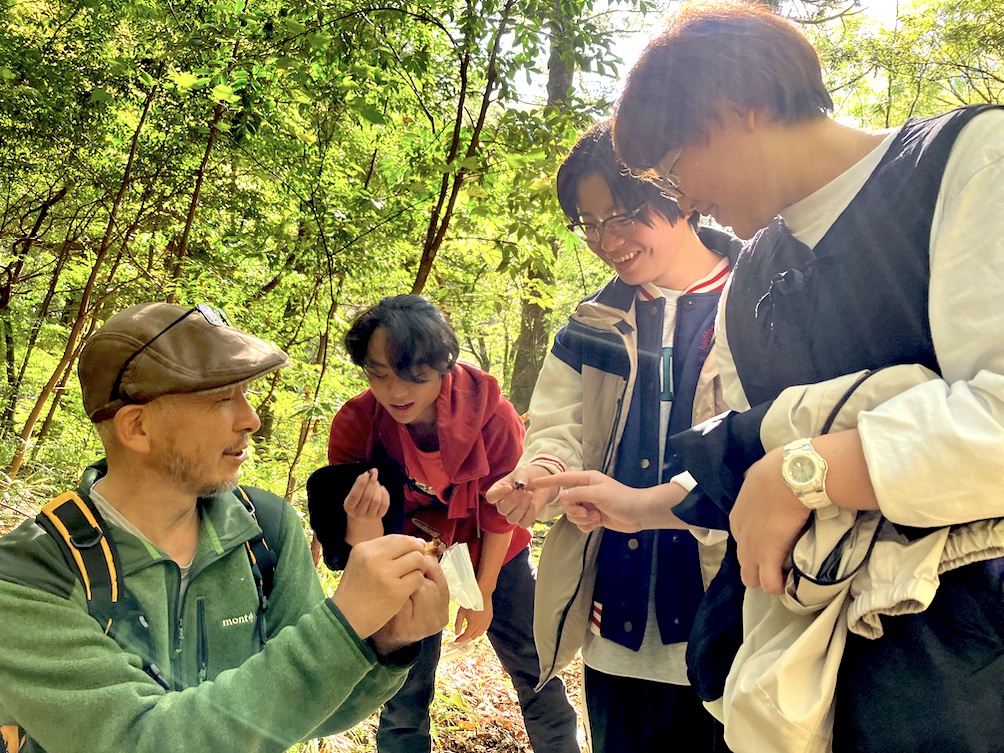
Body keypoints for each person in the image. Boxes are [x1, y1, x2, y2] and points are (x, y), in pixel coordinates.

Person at [608, 2, 1004, 750]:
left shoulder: (967, 163)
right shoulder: (748, 284)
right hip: (820, 691)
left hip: (971, 679)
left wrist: (806, 470)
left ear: (741, 106)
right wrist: (634, 506)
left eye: (676, 169)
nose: (684, 201)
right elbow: (751, 487)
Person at [0, 302, 450, 753]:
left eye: (246, 394)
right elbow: (141, 740)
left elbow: (308, 710)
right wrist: (344, 624)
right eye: (221, 398)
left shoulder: (264, 529)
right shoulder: (28, 578)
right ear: (137, 427)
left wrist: (383, 641)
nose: (251, 419)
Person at [487, 120, 741, 753]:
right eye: (590, 223)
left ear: (678, 194)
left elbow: (763, 444)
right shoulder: (594, 323)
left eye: (622, 216)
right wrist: (541, 472)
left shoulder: (758, 302)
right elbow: (560, 426)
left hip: (732, 615)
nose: (607, 240)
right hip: (616, 626)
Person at [313, 294, 580, 753]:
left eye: (414, 376)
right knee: (404, 682)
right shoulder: (359, 422)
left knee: (535, 668)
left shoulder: (491, 416)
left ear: (442, 365)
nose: (396, 391)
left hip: (493, 545)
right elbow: (361, 540)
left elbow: (502, 513)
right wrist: (358, 524)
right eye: (379, 374)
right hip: (407, 548)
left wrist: (484, 592)